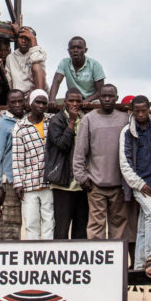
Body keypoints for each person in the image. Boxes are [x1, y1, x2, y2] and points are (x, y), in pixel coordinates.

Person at [73, 84, 128, 240]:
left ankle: (117, 263)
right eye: (104, 96)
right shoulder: (89, 119)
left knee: (119, 227)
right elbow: (79, 153)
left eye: (111, 96)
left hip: (119, 185)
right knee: (96, 226)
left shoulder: (124, 119)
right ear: (99, 97)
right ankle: (98, 263)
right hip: (96, 184)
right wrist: (82, 178)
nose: (107, 99)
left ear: (116, 98)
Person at [118, 96, 151, 278]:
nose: (141, 114)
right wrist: (138, 184)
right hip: (139, 183)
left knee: (145, 221)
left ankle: (137, 265)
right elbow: (124, 162)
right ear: (132, 111)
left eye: (144, 110)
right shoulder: (127, 132)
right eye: (137, 111)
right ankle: (150, 258)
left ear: (149, 109)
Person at [45, 89, 88, 240]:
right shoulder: (57, 120)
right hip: (63, 182)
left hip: (82, 183)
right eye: (71, 100)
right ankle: (61, 262)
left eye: (78, 101)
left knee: (81, 228)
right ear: (65, 102)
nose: (75, 104)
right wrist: (71, 122)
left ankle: (79, 263)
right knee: (62, 228)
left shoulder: (86, 119)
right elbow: (62, 145)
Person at [13, 89, 54, 239]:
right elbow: (17, 157)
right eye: (38, 102)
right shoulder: (20, 126)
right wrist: (18, 183)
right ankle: (34, 257)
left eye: (44, 103)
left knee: (49, 221)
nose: (41, 106)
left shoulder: (52, 121)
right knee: (31, 223)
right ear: (30, 103)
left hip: (49, 181)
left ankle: (49, 256)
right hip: (29, 182)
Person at [0, 90, 26, 241]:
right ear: (8, 104)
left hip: (29, 179)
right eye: (13, 102)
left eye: (20, 101)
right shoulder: (1, 125)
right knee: (10, 222)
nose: (17, 105)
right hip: (10, 180)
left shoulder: (28, 120)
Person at [48, 39, 104, 109]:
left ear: (85, 50)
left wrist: (86, 101)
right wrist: (52, 100)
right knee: (53, 105)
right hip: (73, 99)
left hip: (91, 100)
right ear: (68, 51)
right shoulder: (64, 62)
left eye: (79, 48)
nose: (75, 50)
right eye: (72, 48)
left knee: (98, 106)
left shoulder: (94, 65)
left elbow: (100, 91)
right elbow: (56, 82)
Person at [6, 29, 47, 97]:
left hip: (35, 93)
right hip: (18, 95)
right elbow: (10, 82)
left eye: (28, 38)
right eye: (21, 38)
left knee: (36, 66)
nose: (24, 41)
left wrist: (33, 39)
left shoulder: (39, 52)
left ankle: (38, 97)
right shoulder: (10, 57)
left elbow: (36, 60)